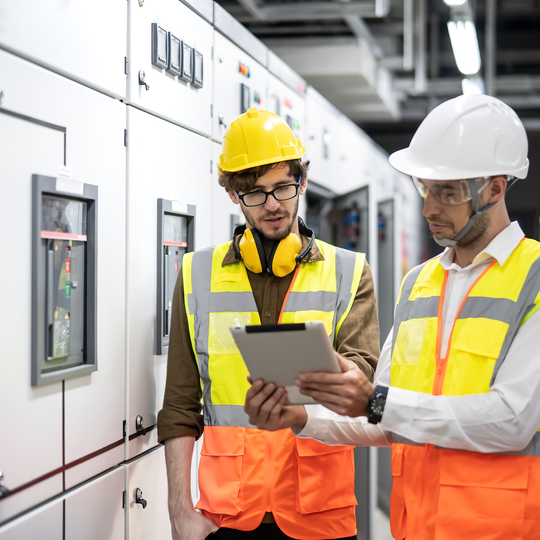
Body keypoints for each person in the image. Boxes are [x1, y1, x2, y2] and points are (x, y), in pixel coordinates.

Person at [245, 94, 540, 540]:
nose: (429, 209)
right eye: (426, 188)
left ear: (495, 188)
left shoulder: (534, 278)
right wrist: (302, 418)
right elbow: (382, 417)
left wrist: (377, 402)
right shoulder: (418, 283)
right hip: (414, 529)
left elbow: (511, 420)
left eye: (448, 191)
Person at [157, 107, 380, 540]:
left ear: (303, 182)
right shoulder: (195, 276)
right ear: (234, 197)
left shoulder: (350, 271)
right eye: (255, 193)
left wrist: (326, 371)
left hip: (320, 516)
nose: (274, 204)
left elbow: (363, 389)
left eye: (283, 187)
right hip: (227, 517)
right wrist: (179, 511)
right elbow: (181, 407)